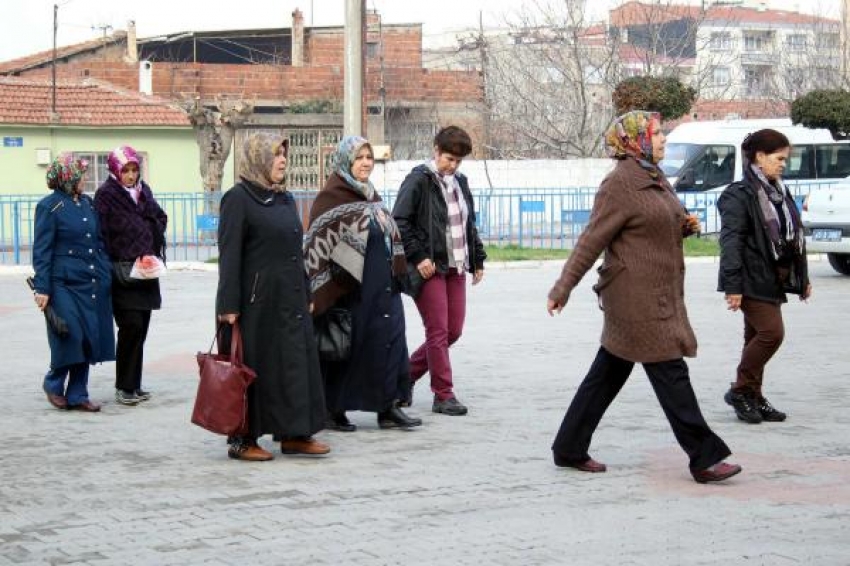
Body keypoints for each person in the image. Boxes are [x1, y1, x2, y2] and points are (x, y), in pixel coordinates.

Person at [546, 111, 741, 484]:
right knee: (670, 370)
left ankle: (568, 447)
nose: (663, 138)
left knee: (607, 372)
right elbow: (592, 240)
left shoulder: (653, 176)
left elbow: (649, 226)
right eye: (656, 133)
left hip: (657, 292)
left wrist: (682, 227)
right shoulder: (620, 183)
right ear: (634, 140)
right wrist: (562, 288)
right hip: (634, 297)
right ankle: (704, 456)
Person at [217, 132, 328, 461]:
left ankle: (295, 434)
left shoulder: (284, 198)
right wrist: (228, 305)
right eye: (275, 155)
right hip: (255, 304)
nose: (282, 160)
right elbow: (229, 255)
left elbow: (298, 250)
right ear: (258, 160)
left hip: (290, 298)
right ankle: (242, 439)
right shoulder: (237, 199)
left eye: (283, 154)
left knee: (293, 366)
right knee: (252, 368)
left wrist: (306, 289)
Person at [304, 136, 421, 432]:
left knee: (391, 340)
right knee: (351, 347)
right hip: (350, 289)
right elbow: (316, 246)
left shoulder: (371, 196)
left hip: (383, 285)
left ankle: (389, 406)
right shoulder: (330, 197)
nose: (366, 163)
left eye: (369, 157)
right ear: (345, 162)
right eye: (359, 158)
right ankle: (334, 408)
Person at [717, 129, 812, 424]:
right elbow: (730, 242)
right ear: (759, 156)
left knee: (755, 337)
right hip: (750, 277)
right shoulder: (739, 194)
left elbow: (793, 238)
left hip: (774, 276)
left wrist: (803, 278)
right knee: (772, 333)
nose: (783, 164)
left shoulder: (779, 193)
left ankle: (754, 397)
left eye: (785, 159)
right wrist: (733, 286)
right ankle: (741, 390)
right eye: (779, 158)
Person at [392, 126, 486, 416]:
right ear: (435, 151)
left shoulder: (460, 183)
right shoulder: (418, 181)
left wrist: (478, 259)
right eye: (448, 158)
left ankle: (404, 376)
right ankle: (443, 394)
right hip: (429, 269)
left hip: (455, 266)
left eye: (458, 161)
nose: (452, 165)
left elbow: (468, 223)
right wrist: (419, 256)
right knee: (438, 331)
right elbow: (400, 221)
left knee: (453, 331)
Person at [32, 154, 115, 412]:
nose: (86, 179)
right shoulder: (50, 206)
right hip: (62, 283)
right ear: (67, 177)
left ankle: (78, 394)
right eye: (81, 174)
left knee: (89, 336)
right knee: (71, 334)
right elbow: (42, 251)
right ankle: (54, 383)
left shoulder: (87, 204)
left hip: (89, 280)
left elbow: (98, 242)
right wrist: (42, 288)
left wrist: (105, 274)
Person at [94, 146, 167, 406]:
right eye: (125, 170)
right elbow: (102, 231)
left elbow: (159, 216)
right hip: (122, 271)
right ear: (115, 170)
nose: (131, 175)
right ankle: (123, 386)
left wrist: (148, 232)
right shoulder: (106, 195)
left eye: (134, 169)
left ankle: (133, 385)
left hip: (145, 270)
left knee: (142, 328)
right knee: (130, 326)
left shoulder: (143, 191)